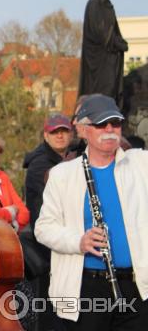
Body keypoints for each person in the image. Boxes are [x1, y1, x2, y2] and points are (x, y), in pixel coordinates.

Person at [35, 94, 148, 330]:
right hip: (84, 286)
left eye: (115, 123)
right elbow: (44, 228)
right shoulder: (62, 175)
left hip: (137, 286)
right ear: (84, 129)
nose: (109, 129)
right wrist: (79, 241)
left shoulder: (141, 163)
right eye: (100, 123)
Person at [23, 113, 73, 331]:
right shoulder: (40, 164)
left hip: (62, 239)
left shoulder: (68, 158)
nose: (60, 136)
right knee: (49, 304)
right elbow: (53, 205)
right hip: (47, 244)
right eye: (55, 132)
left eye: (64, 131)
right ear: (46, 135)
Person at [78, 0, 128, 106]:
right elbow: (99, 32)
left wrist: (120, 41)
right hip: (97, 59)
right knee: (105, 87)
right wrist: (117, 43)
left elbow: (113, 29)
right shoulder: (93, 5)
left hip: (110, 56)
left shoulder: (109, 6)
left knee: (112, 88)